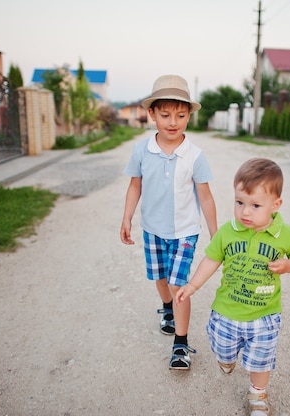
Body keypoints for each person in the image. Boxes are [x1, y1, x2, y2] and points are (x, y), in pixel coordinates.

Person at [175, 158, 290, 415]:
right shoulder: (228, 231)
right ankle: (226, 360)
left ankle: (258, 396)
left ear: (275, 205)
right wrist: (192, 286)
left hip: (265, 314)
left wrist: (288, 265)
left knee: (261, 361)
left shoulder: (285, 234)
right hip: (227, 312)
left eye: (255, 205)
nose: (245, 212)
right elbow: (211, 259)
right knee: (224, 351)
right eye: (239, 203)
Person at [120, 74, 217, 371]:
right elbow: (135, 185)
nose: (173, 122)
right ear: (152, 114)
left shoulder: (195, 156)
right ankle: (166, 309)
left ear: (189, 115)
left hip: (185, 232)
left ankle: (181, 344)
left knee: (179, 285)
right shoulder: (141, 150)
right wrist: (127, 218)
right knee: (160, 279)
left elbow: (206, 197)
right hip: (152, 230)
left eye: (181, 115)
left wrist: (216, 234)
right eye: (165, 115)